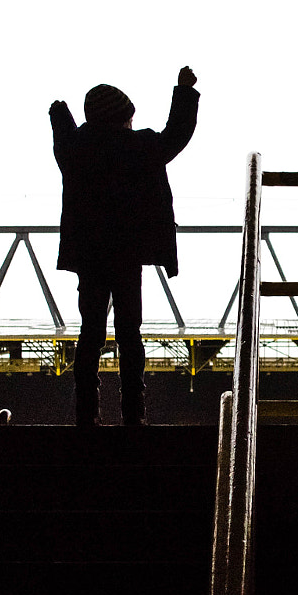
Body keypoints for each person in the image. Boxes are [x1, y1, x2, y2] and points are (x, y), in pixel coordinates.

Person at [50, 66, 200, 426]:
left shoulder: (76, 151)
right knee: (129, 334)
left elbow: (64, 133)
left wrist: (58, 113)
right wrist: (183, 92)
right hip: (127, 255)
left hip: (89, 256)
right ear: (121, 118)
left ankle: (86, 415)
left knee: (91, 334)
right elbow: (175, 136)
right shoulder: (138, 147)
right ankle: (134, 415)